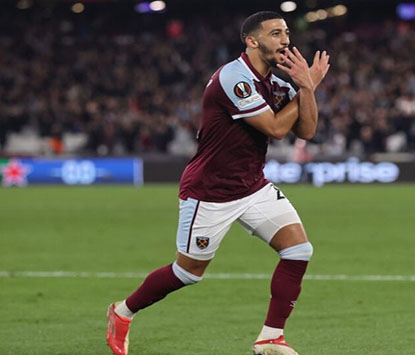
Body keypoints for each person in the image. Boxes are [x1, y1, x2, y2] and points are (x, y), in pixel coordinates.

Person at [106, 11, 329, 355]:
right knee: (188, 272)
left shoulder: (280, 82)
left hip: (253, 186)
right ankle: (122, 312)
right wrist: (304, 87)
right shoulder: (233, 78)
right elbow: (275, 128)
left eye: (286, 32)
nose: (285, 40)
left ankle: (270, 337)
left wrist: (305, 88)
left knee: (299, 250)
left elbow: (307, 131)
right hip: (210, 191)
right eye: (275, 33)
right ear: (251, 41)